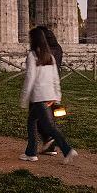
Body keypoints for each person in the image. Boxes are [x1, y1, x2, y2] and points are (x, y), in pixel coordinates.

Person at [20, 26, 78, 163]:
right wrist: (57, 96)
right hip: (49, 95)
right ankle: (31, 152)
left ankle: (67, 149)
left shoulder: (32, 55)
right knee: (32, 122)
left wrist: (24, 98)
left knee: (49, 127)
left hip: (39, 97)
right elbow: (55, 79)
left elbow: (30, 78)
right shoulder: (50, 57)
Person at [36, 25, 65, 154]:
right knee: (49, 115)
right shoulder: (58, 49)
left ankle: (50, 143)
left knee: (39, 117)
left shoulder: (43, 51)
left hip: (43, 86)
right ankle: (52, 144)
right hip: (54, 84)